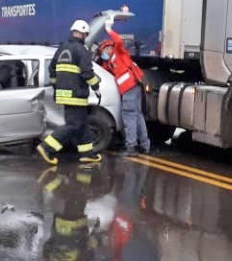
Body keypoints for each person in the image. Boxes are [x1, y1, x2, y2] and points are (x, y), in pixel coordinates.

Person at [37, 19, 102, 165]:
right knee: (73, 125)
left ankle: (87, 153)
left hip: (63, 94)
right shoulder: (82, 50)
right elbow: (87, 73)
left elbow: (51, 70)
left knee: (82, 124)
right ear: (84, 34)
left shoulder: (62, 49)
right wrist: (96, 86)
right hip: (76, 95)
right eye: (85, 34)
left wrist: (56, 88)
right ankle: (47, 147)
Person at [97, 16, 149, 156]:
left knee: (129, 116)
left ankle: (131, 147)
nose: (104, 54)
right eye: (102, 52)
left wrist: (109, 29)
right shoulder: (108, 63)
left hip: (130, 86)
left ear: (109, 48)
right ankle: (144, 145)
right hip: (133, 86)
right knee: (137, 115)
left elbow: (118, 40)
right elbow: (102, 70)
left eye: (104, 50)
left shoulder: (119, 52)